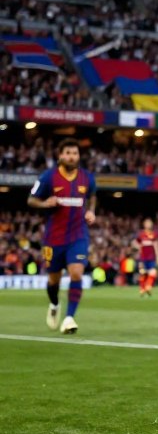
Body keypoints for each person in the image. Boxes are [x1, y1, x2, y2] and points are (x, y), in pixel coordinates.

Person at [27, 137, 97, 334]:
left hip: (78, 235)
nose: (71, 157)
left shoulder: (87, 177)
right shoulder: (48, 178)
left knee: (76, 272)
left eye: (75, 153)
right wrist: (44, 203)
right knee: (53, 281)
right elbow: (31, 200)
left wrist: (91, 211)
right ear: (60, 156)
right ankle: (55, 304)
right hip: (54, 238)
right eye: (67, 153)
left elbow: (92, 196)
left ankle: (69, 318)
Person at [134, 218, 158, 298]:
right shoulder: (141, 234)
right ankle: (142, 289)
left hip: (151, 257)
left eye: (150, 223)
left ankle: (148, 286)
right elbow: (135, 242)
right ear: (144, 224)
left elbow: (156, 244)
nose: (149, 224)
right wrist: (139, 247)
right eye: (147, 223)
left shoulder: (154, 234)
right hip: (143, 257)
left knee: (153, 272)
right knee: (142, 273)